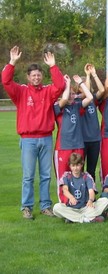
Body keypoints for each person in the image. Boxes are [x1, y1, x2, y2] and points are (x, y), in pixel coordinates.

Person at [1, 46, 65, 219]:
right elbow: (6, 81)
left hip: (45, 138)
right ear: (28, 77)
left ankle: (45, 206)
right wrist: (12, 62)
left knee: (46, 175)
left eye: (38, 75)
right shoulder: (21, 92)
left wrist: (53, 66)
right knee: (28, 176)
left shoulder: (48, 91)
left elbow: (61, 85)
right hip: (28, 139)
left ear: (42, 76)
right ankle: (27, 207)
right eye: (33, 75)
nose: (36, 77)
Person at [54, 74, 93, 203]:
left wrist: (81, 83)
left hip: (78, 145)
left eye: (73, 94)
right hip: (63, 147)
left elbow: (90, 97)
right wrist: (68, 83)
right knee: (63, 176)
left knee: (78, 174)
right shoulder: (57, 107)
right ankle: (64, 202)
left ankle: (80, 200)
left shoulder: (77, 106)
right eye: (69, 93)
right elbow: (64, 98)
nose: (71, 96)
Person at [53, 153, 108, 223]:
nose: (75, 168)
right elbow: (65, 190)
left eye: (77, 165)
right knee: (56, 208)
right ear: (70, 166)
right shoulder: (66, 176)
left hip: (86, 207)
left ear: (81, 165)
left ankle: (72, 218)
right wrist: (71, 197)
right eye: (73, 165)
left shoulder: (87, 176)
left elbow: (91, 191)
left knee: (105, 201)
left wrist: (90, 200)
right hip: (71, 208)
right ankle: (87, 219)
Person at [81, 63, 105, 184]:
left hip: (95, 139)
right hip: (82, 140)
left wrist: (93, 74)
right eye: (83, 85)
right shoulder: (78, 100)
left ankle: (91, 194)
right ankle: (81, 194)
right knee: (78, 169)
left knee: (91, 170)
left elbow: (102, 90)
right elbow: (86, 95)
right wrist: (87, 75)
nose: (86, 87)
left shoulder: (93, 100)